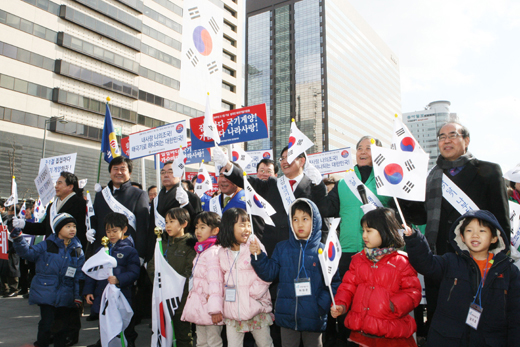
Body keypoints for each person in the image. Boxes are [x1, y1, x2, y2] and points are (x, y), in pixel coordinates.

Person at [400, 121, 511, 328]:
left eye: (452, 135)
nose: (446, 140)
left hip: (478, 261)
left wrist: (500, 261)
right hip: (440, 260)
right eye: (442, 137)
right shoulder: (431, 176)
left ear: (466, 140)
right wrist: (404, 195)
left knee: (477, 324)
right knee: (442, 321)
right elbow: (421, 217)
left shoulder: (488, 171)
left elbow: (501, 221)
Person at [403, 210, 520, 346]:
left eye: (482, 231)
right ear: (462, 237)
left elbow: (516, 315)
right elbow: (426, 264)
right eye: (469, 230)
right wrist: (414, 239)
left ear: (494, 238)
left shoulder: (508, 271)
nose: (475, 235)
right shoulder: (450, 261)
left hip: (490, 340)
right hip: (448, 339)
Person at [250, 198, 341, 347]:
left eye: (305, 219)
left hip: (314, 317)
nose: (300, 224)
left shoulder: (324, 250)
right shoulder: (282, 248)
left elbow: (334, 283)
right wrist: (259, 256)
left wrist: (320, 307)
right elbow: (269, 273)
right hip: (287, 317)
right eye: (295, 219)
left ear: (315, 221)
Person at [331, 208, 421, 347]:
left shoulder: (401, 261)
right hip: (363, 334)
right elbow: (347, 287)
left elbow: (413, 292)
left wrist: (393, 305)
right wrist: (341, 304)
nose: (364, 236)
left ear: (385, 230)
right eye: (363, 231)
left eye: (369, 230)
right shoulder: (358, 259)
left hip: (391, 333)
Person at [11, 213, 85, 347]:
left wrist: (78, 296)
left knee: (61, 328)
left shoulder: (77, 249)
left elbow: (79, 275)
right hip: (46, 293)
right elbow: (27, 253)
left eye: (74, 226)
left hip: (66, 295)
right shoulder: (46, 245)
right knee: (46, 325)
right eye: (67, 226)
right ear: (58, 229)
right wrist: (17, 238)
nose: (72, 229)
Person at [217, 208, 273, 347]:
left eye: (248, 224)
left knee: (265, 343)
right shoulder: (222, 252)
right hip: (233, 311)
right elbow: (220, 279)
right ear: (229, 227)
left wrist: (251, 295)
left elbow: (266, 275)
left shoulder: (255, 246)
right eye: (242, 225)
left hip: (256, 309)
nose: (247, 229)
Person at [83, 212, 141, 347]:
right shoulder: (101, 250)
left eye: (115, 231)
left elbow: (134, 273)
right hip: (102, 296)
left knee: (124, 326)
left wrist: (119, 279)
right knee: (104, 324)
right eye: (108, 231)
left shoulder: (130, 251)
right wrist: (89, 291)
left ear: (124, 229)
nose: (111, 234)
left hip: (122, 296)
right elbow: (93, 272)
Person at [147, 208, 196, 347]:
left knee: (183, 336)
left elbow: (190, 272)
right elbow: (152, 266)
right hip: (163, 296)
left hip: (182, 299)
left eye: (172, 222)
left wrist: (175, 286)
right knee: (164, 333)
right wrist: (160, 284)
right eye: (166, 222)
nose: (167, 226)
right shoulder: (161, 244)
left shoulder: (190, 245)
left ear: (184, 224)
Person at [87, 156, 149, 261]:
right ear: (110, 172)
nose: (118, 172)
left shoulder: (139, 194)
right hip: (103, 251)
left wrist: (140, 255)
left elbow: (142, 228)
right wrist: (91, 229)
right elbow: (95, 219)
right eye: (115, 169)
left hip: (127, 253)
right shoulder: (101, 195)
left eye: (122, 169)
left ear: (129, 173)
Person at [181, 211, 224, 347]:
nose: (198, 231)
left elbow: (215, 282)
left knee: (213, 342)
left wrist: (215, 309)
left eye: (203, 227)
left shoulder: (213, 252)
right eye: (196, 227)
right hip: (201, 307)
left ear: (215, 230)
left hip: (211, 309)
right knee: (201, 342)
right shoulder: (202, 250)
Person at [15, 172, 87, 249]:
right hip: (51, 251)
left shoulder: (80, 204)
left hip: (69, 251)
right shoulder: (51, 206)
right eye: (56, 183)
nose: (56, 186)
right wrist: (23, 225)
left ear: (70, 187)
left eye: (59, 183)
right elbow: (44, 228)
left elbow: (82, 230)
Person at [147, 161, 201, 257]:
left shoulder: (190, 198)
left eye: (170, 172)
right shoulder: (156, 200)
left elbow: (196, 224)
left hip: (182, 251)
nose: (166, 175)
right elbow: (151, 228)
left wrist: (186, 204)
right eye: (163, 172)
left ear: (181, 174)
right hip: (159, 247)